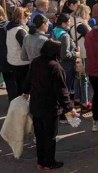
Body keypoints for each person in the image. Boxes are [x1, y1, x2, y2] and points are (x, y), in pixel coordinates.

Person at [21, 40, 75, 171]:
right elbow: (61, 91)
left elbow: (28, 79)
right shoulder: (55, 67)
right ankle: (49, 163)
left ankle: (41, 161)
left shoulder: (35, 61)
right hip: (50, 107)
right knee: (50, 136)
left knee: (39, 135)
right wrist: (69, 108)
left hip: (36, 104)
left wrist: (26, 90)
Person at [53, 13, 78, 118]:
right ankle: (65, 115)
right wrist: (75, 53)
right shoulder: (65, 36)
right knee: (65, 91)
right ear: (63, 23)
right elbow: (65, 54)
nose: (70, 24)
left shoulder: (55, 31)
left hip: (58, 64)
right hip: (67, 66)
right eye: (68, 22)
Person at [69, 5, 93, 112]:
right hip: (84, 54)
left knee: (77, 77)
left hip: (77, 54)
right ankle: (85, 102)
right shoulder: (82, 26)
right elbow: (91, 38)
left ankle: (77, 100)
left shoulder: (73, 24)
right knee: (84, 78)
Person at [6, 7, 31, 102]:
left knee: (17, 85)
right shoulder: (20, 31)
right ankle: (23, 106)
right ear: (21, 18)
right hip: (22, 62)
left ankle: (17, 103)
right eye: (26, 18)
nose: (27, 20)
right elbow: (26, 46)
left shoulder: (9, 27)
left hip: (12, 60)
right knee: (24, 87)